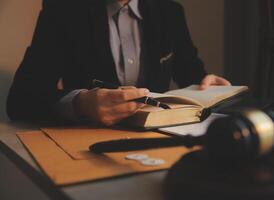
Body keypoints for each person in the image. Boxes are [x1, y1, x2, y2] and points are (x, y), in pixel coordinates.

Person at [6, 0, 231, 126]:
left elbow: (192, 74)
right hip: (86, 143)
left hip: (160, 141)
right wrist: (81, 104)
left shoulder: (169, 11)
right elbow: (21, 100)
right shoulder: (63, 10)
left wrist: (206, 84)